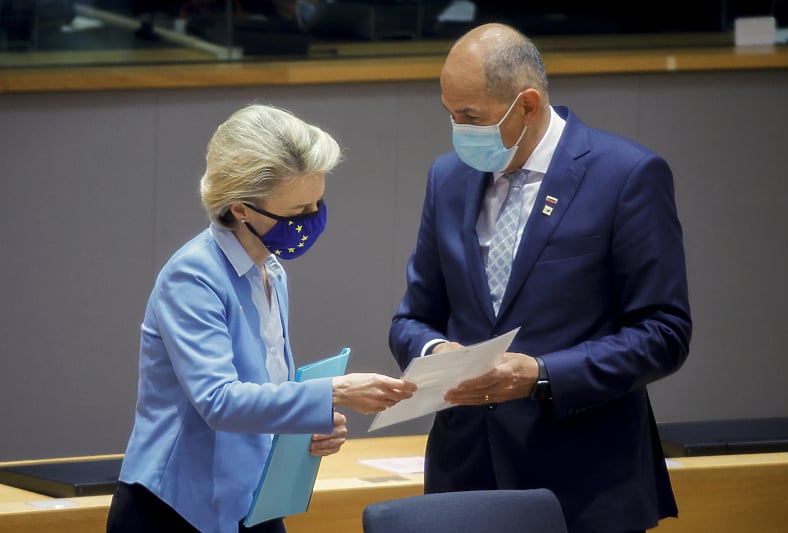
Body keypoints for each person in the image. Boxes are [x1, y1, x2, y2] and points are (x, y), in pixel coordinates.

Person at [388, 23, 691, 533]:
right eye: (450, 114)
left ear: (527, 105)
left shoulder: (626, 175)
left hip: (584, 485)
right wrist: (438, 353)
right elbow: (412, 318)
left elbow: (664, 333)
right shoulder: (448, 178)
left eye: (471, 116)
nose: (458, 129)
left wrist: (540, 373)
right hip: (466, 479)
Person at [106, 103, 416, 533]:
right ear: (240, 209)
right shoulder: (192, 276)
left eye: (317, 203)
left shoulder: (271, 270)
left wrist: (306, 426)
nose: (311, 221)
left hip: (251, 501)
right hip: (176, 510)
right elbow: (220, 400)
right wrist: (332, 392)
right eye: (296, 213)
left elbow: (265, 392)